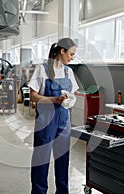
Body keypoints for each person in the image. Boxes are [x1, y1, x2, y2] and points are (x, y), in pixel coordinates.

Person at [28, 37, 79, 194]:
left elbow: (73, 92)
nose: (72, 58)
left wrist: (69, 99)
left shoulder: (68, 71)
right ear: (62, 51)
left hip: (64, 121)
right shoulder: (42, 69)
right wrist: (54, 100)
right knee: (41, 160)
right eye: (71, 54)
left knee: (63, 160)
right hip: (46, 122)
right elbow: (33, 96)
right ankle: (39, 191)